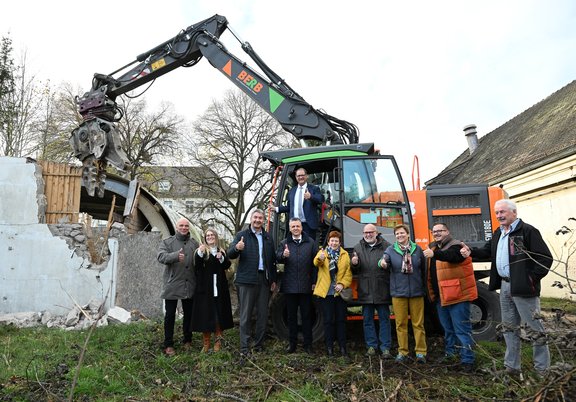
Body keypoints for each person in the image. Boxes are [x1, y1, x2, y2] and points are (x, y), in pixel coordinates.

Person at [462, 199, 552, 377]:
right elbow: (488, 251)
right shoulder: (499, 233)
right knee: (509, 328)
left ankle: (542, 370)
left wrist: (530, 279)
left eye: (502, 212)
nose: (499, 216)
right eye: (496, 213)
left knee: (535, 329)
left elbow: (544, 258)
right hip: (504, 286)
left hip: (524, 288)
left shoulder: (527, 231)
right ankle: (512, 367)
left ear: (514, 213)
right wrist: (470, 251)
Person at [423, 223, 477, 372]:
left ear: (447, 231)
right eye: (434, 231)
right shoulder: (433, 247)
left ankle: (468, 360)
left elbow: (453, 257)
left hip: (457, 295)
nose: (437, 233)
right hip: (441, 296)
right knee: (447, 329)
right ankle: (451, 354)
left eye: (440, 231)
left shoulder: (456, 246)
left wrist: (435, 255)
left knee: (462, 330)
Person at [228, 209, 277, 358]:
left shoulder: (268, 237)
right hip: (246, 280)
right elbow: (230, 253)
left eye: (260, 218)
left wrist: (273, 279)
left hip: (264, 280)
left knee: (263, 313)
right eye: (255, 217)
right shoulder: (242, 235)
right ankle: (244, 346)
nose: (257, 220)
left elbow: (272, 260)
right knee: (246, 314)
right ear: (251, 218)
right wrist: (237, 248)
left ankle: (259, 344)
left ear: (263, 220)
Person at [378, 224, 427, 363]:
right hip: (398, 293)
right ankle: (403, 352)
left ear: (408, 234)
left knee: (418, 324)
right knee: (401, 324)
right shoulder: (390, 250)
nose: (400, 236)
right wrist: (382, 263)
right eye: (397, 234)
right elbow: (383, 261)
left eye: (402, 233)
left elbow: (423, 269)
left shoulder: (417, 249)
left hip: (416, 292)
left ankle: (421, 352)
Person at [157, 218, 199, 356]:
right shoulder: (167, 242)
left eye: (186, 225)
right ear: (176, 227)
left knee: (189, 314)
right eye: (181, 225)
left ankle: (188, 339)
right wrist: (175, 256)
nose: (184, 228)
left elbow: (199, 259)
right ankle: (168, 344)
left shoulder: (194, 243)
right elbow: (161, 256)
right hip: (172, 284)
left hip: (189, 284)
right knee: (170, 316)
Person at [351, 224, 393, 358]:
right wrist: (354, 263)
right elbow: (354, 271)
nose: (368, 235)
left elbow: (393, 265)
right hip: (365, 289)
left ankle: (385, 348)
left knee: (384, 320)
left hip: (382, 288)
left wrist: (388, 265)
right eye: (365, 232)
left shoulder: (387, 246)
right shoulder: (358, 247)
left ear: (376, 233)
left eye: (370, 232)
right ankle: (371, 346)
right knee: (367, 320)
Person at [276, 218, 318, 354]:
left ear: (301, 227)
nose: (295, 228)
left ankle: (308, 345)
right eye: (293, 226)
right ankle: (292, 344)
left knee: (307, 316)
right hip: (289, 286)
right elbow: (276, 257)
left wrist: (314, 281)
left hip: (306, 286)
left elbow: (315, 264)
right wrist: (283, 255)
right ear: (290, 228)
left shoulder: (310, 242)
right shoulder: (284, 243)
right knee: (291, 317)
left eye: (297, 226)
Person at [191, 228, 233, 353]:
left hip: (219, 287)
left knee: (219, 314)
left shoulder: (221, 251)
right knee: (206, 315)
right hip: (206, 288)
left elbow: (227, 265)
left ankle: (218, 341)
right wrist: (200, 253)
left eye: (212, 235)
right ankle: (206, 342)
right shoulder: (202, 251)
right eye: (207, 235)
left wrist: (221, 258)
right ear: (205, 238)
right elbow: (197, 267)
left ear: (215, 237)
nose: (209, 237)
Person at [313, 230, 352, 357]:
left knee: (341, 320)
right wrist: (320, 258)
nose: (334, 243)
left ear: (339, 242)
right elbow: (316, 263)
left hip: (339, 292)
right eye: (332, 241)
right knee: (328, 320)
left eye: (336, 241)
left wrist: (342, 284)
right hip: (327, 292)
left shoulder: (345, 255)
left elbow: (348, 273)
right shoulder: (323, 252)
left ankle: (342, 348)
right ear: (328, 242)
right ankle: (329, 348)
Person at [271, 168, 323, 239]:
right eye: (298, 176)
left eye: (302, 175)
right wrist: (276, 209)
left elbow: (321, 199)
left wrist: (311, 197)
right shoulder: (292, 191)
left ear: (307, 176)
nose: (300, 177)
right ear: (296, 177)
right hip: (295, 225)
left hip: (308, 225)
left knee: (309, 248)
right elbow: (289, 207)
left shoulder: (314, 189)